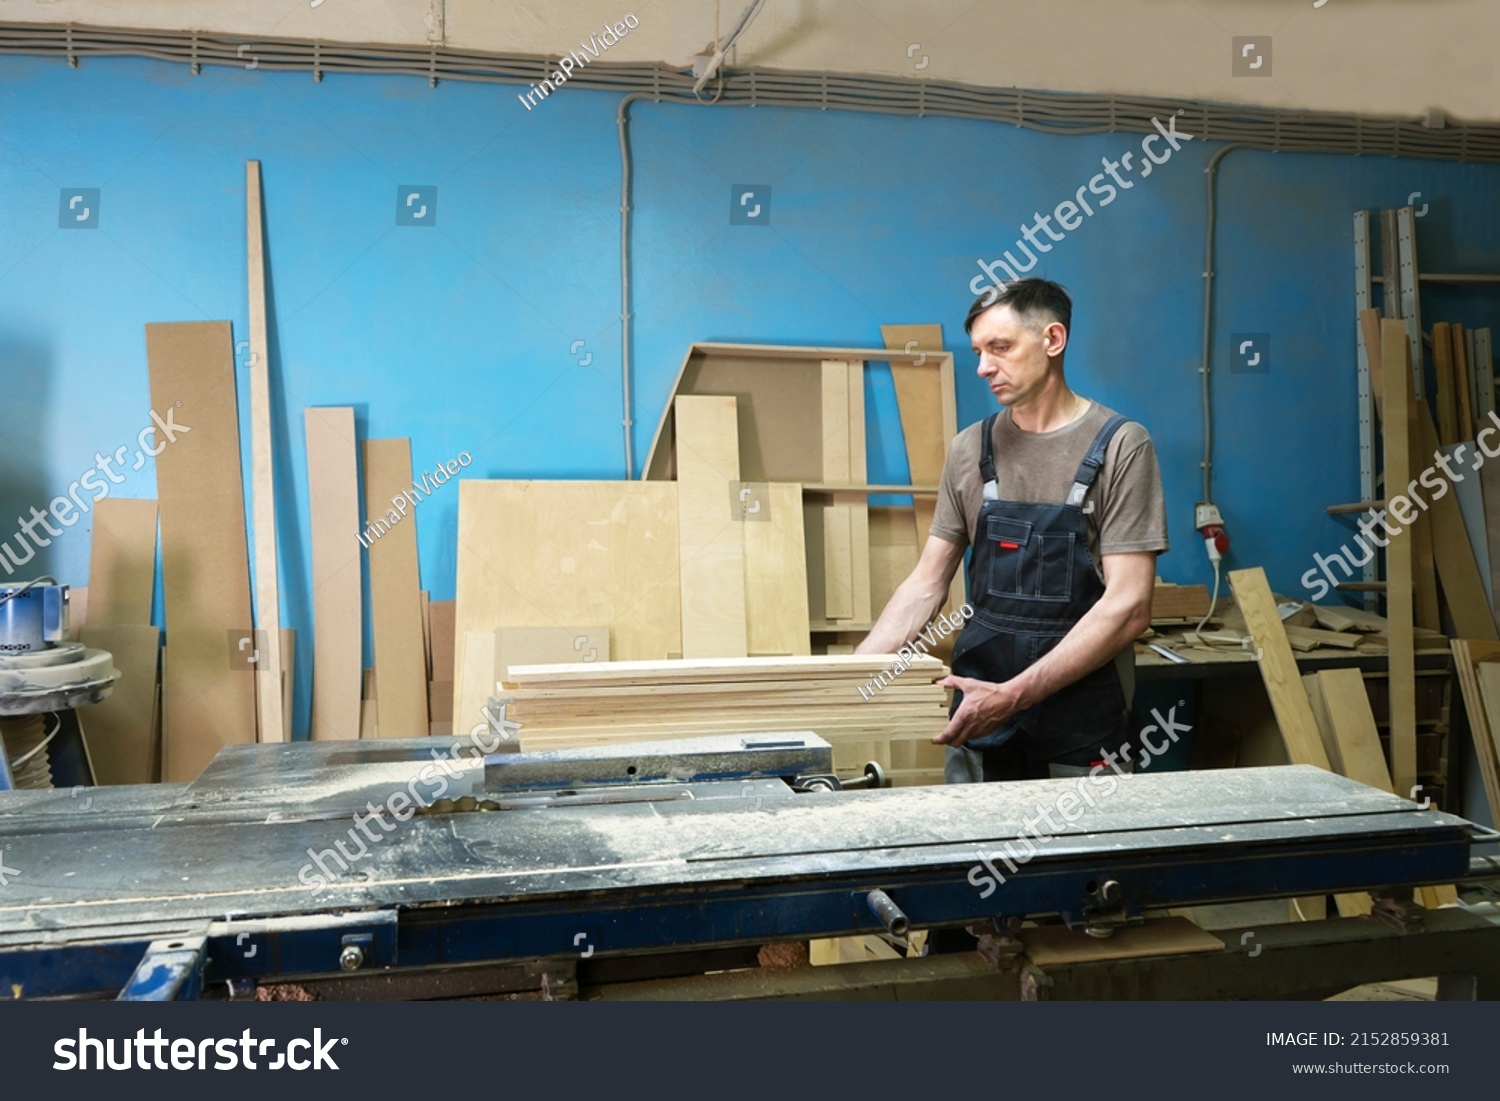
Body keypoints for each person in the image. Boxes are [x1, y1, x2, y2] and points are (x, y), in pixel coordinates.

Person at [857, 279, 1168, 783]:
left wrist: (1015, 695)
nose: (982, 367)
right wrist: (855, 673)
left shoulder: (1121, 446)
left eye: (1000, 348)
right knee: (976, 851)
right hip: (979, 705)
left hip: (1081, 717)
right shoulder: (970, 448)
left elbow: (1129, 607)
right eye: (979, 351)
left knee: (1083, 855)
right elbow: (927, 583)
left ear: (1052, 340)